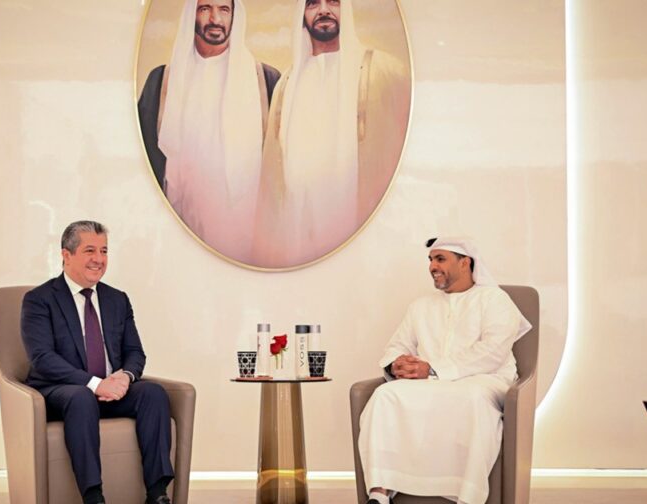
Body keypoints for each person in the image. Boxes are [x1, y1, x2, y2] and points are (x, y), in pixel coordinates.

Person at [357, 237, 532, 504]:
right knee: (385, 395)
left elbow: (493, 352)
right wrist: (396, 364)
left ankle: (467, 496)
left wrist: (432, 369)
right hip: (431, 382)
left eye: (440, 259)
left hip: (486, 379)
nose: (432, 266)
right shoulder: (421, 305)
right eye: (430, 260)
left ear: (465, 263)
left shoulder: (494, 299)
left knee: (471, 397)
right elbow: (397, 345)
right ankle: (380, 492)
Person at [21, 221, 174, 504]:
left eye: (104, 251)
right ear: (66, 255)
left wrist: (125, 377)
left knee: (153, 393)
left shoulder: (117, 299)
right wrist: (95, 384)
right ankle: (94, 496)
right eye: (89, 250)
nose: (99, 259)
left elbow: (135, 352)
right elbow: (42, 359)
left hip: (111, 390)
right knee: (81, 398)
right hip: (62, 391)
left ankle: (157, 493)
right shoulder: (39, 300)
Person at [253, 0, 410, 268]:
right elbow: (271, 173)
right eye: (313, 3)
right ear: (302, 14)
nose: (324, 10)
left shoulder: (383, 70)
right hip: (297, 231)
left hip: (362, 233)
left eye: (333, 2)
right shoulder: (287, 84)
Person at [137, 0, 281, 263]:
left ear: (235, 16)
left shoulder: (266, 81)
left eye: (224, 9)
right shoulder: (161, 81)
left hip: (246, 232)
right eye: (205, 9)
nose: (215, 19)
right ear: (192, 14)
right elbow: (143, 158)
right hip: (178, 225)